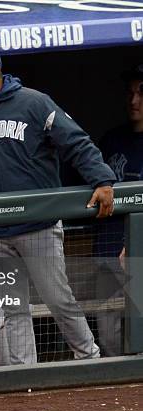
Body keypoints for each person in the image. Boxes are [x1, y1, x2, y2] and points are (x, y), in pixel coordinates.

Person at [0, 45, 116, 365]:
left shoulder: (33, 103)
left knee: (58, 299)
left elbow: (76, 142)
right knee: (13, 309)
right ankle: (26, 374)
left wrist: (102, 180)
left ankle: (90, 359)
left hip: (39, 225)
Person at [93, 63, 143, 356]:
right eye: (130, 92)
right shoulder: (112, 140)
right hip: (108, 249)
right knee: (109, 338)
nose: (134, 100)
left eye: (141, 93)